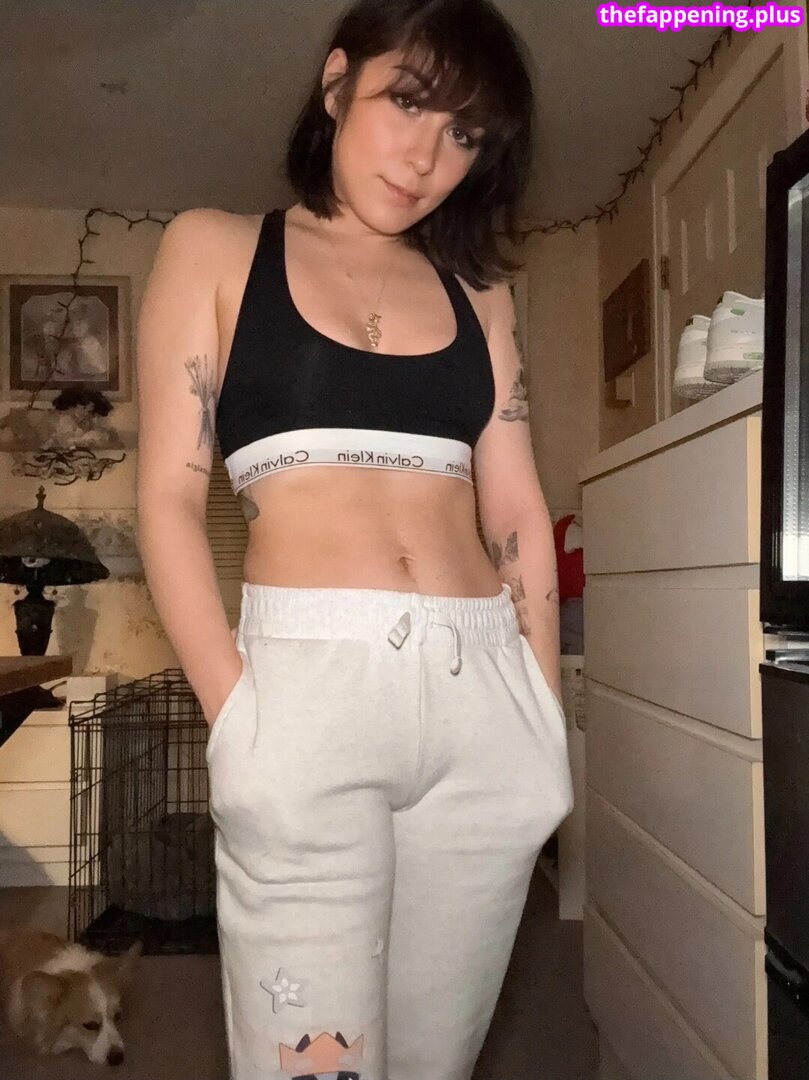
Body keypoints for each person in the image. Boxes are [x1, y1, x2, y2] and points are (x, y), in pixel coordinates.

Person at [135, 1, 574, 1077]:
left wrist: (540, 715)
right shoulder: (213, 248)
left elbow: (517, 510)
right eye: (407, 103)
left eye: (464, 134)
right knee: (314, 1061)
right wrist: (237, 718)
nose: (427, 157)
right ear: (337, 84)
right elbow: (167, 500)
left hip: (485, 700)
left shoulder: (481, 295)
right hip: (305, 699)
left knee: (434, 1057)